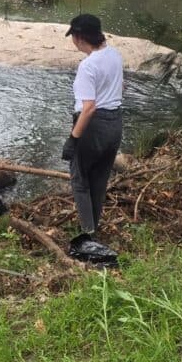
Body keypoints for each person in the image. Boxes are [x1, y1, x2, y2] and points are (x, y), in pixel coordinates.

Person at [61, 14, 123, 238]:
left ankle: (87, 234)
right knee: (99, 179)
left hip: (92, 127)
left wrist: (73, 139)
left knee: (79, 180)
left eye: (73, 37)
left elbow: (89, 108)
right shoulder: (115, 55)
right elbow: (120, 88)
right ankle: (94, 227)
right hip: (115, 123)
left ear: (78, 37)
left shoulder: (88, 66)